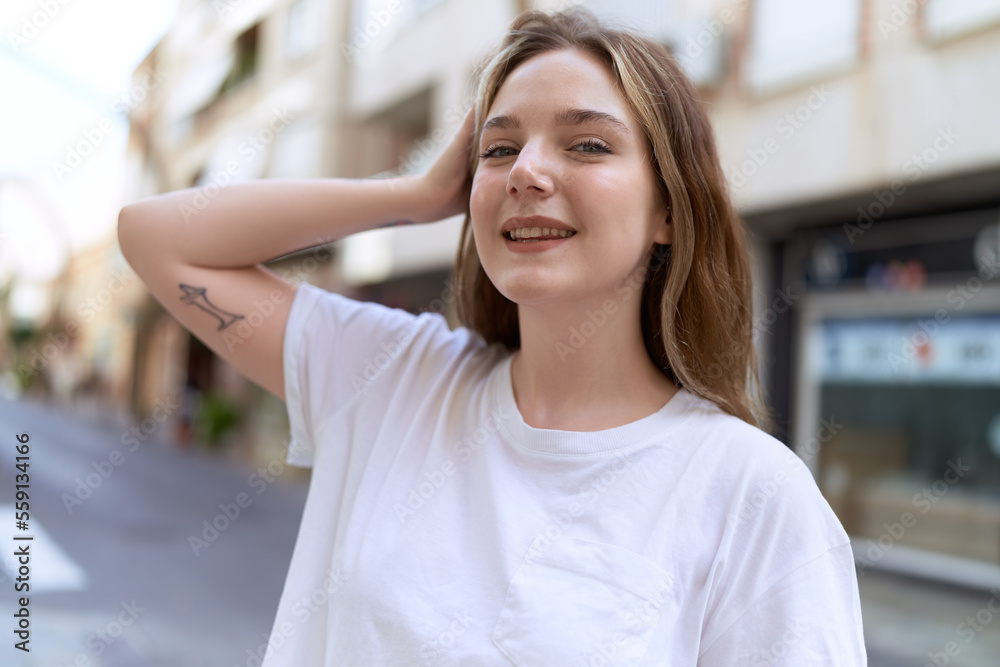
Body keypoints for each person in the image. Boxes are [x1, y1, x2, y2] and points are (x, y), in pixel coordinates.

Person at [118, 7, 867, 666]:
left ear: (669, 209)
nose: (528, 171)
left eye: (588, 145)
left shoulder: (753, 495)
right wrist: (412, 196)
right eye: (500, 148)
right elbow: (154, 236)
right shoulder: (394, 379)